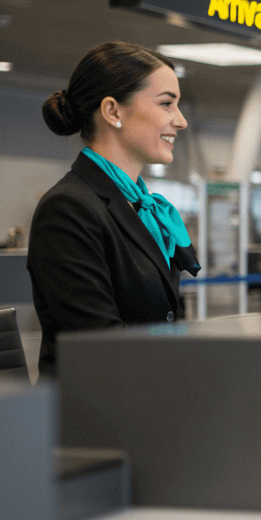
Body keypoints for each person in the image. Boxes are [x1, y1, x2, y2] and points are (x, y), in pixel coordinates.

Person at [28, 41, 200, 376]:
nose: (180, 121)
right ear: (113, 111)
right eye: (167, 104)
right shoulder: (68, 209)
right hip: (93, 414)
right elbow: (101, 346)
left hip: (145, 402)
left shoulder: (140, 206)